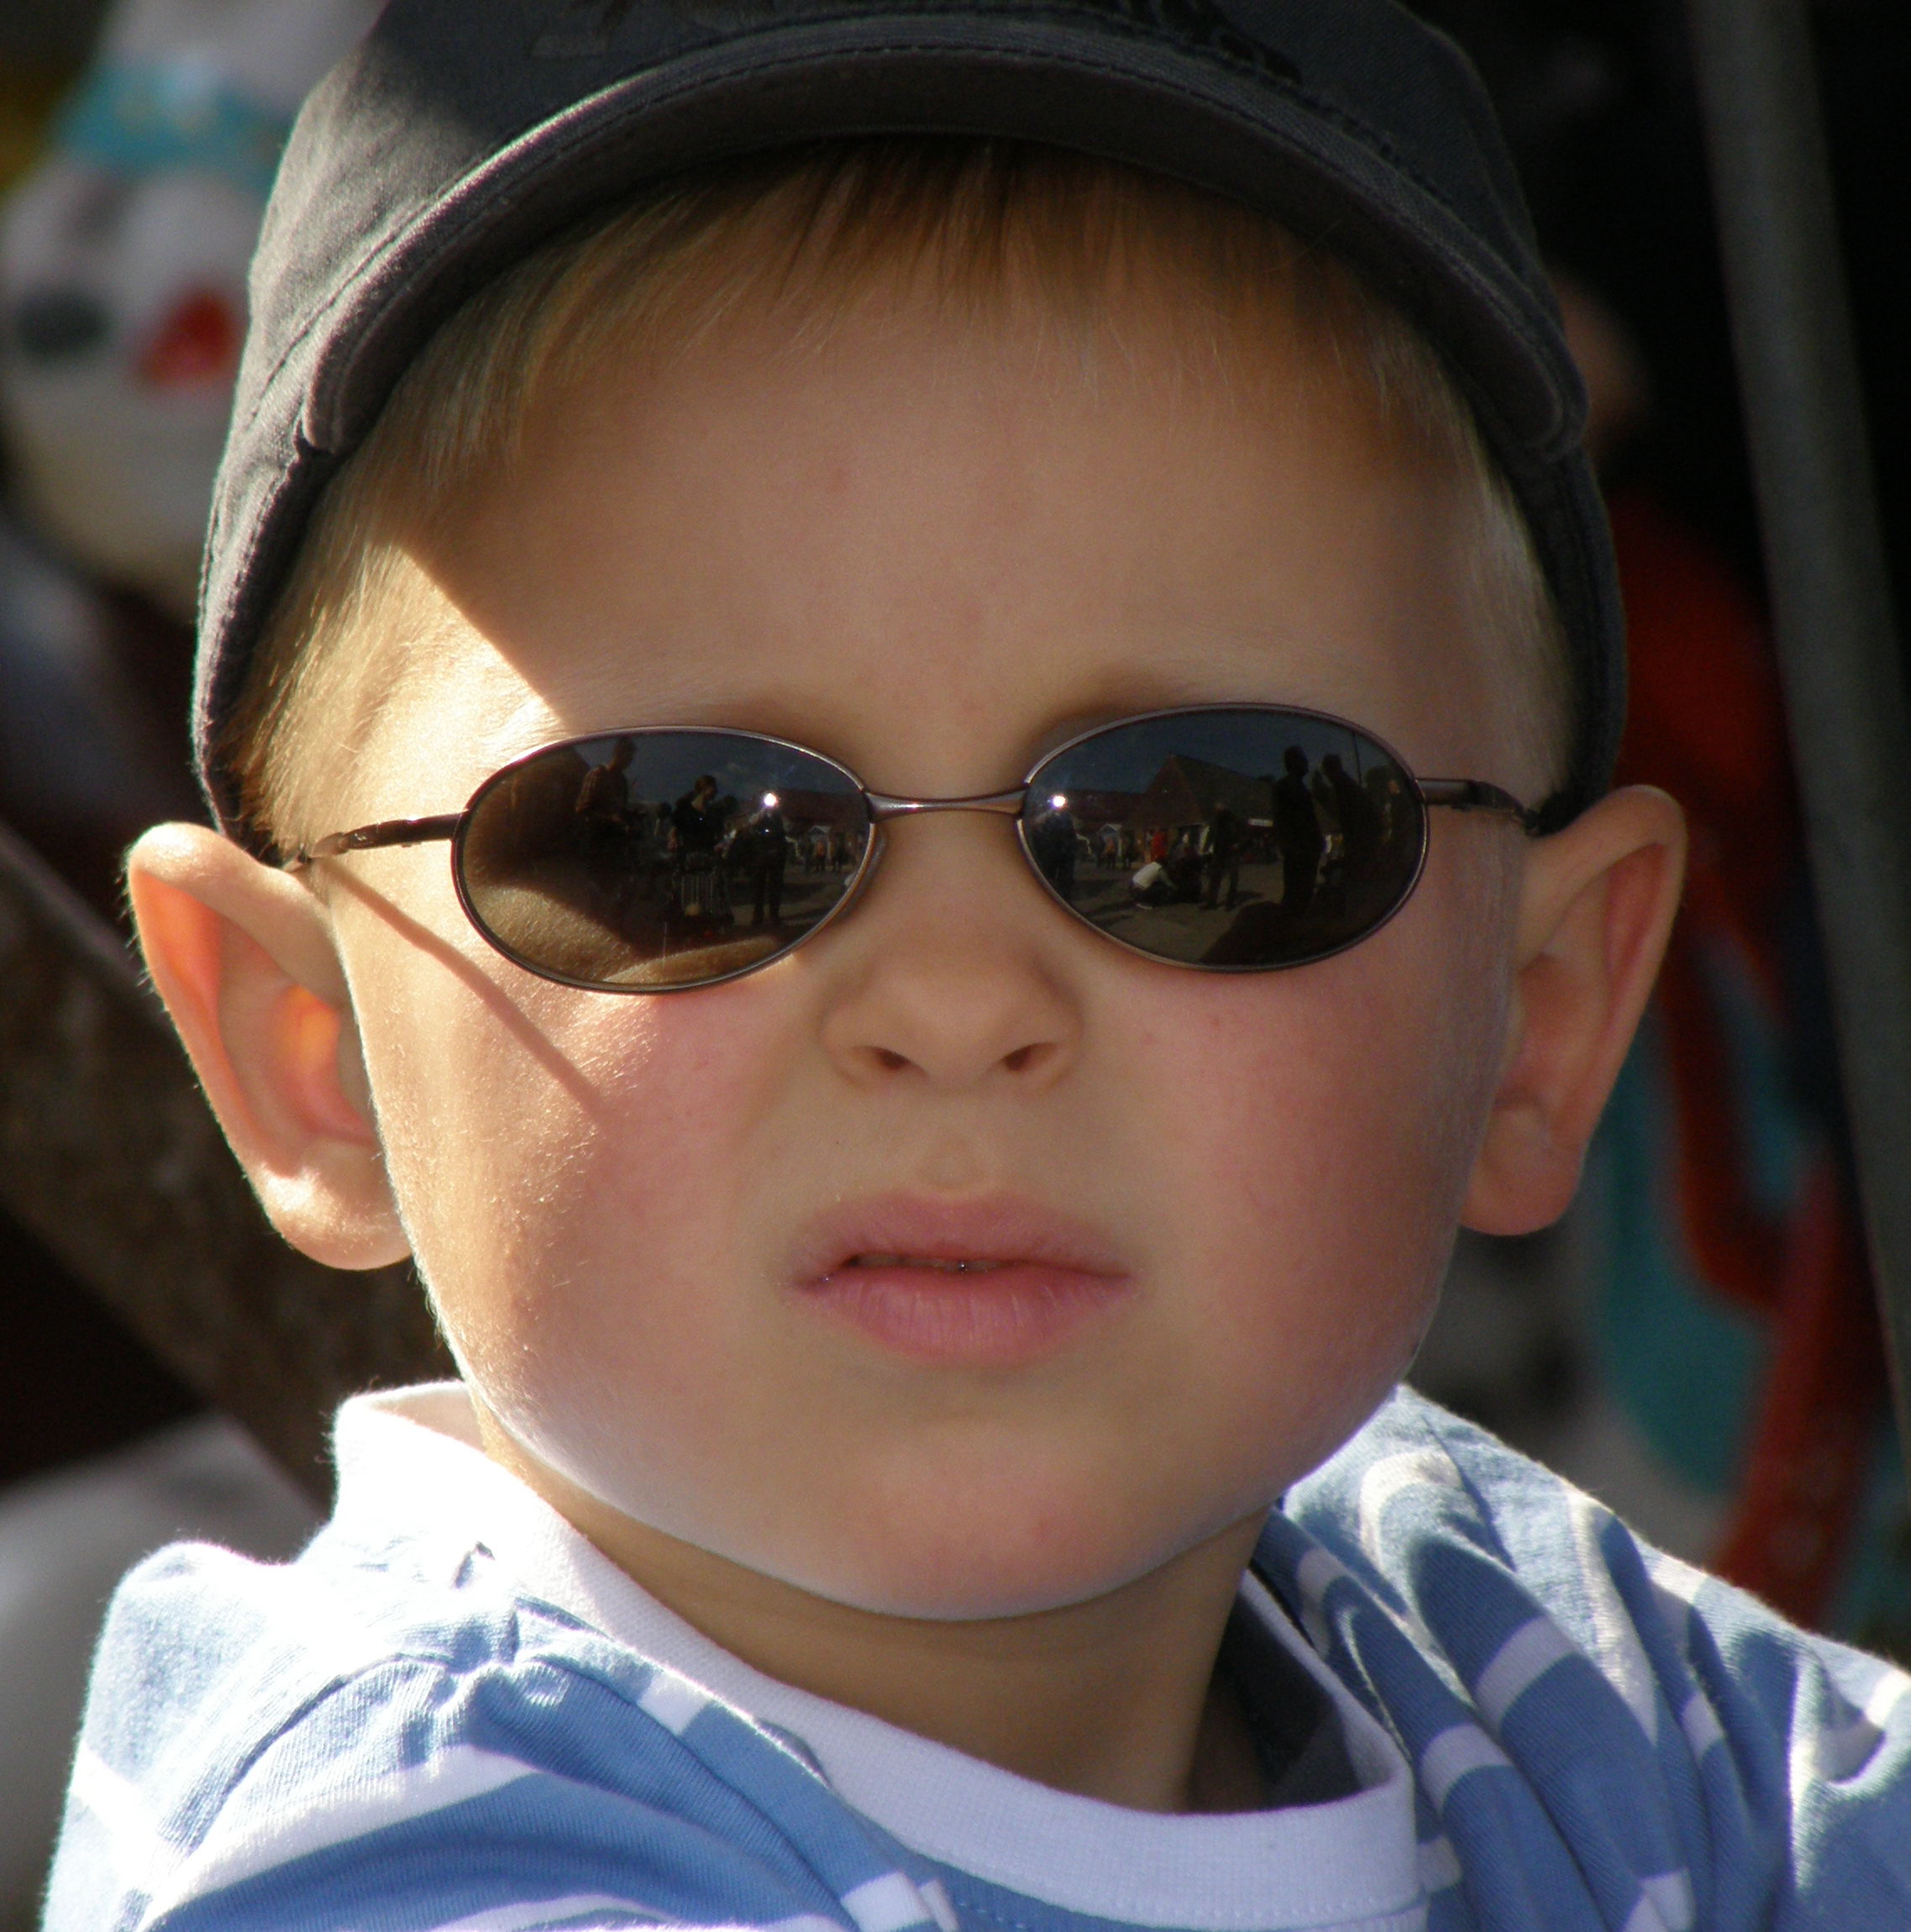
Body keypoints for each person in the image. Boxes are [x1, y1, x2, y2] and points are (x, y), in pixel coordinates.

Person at [53, 4, 1911, 1929]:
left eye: (1213, 827)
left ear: (1534, 1021)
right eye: (679, 833)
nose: (955, 1000)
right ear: (315, 1048)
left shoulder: (1528, 1650)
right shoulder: (405, 1858)